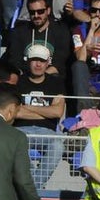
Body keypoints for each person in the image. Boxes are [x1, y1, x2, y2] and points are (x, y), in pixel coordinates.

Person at [14, 44, 66, 189]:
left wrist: (27, 108)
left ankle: (33, 185)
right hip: (20, 130)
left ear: (48, 62)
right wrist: (45, 111)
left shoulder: (56, 83)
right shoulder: (18, 81)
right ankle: (32, 186)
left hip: (47, 132)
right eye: (34, 60)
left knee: (58, 145)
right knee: (15, 143)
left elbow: (57, 112)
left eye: (42, 61)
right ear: (28, 61)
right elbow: (15, 112)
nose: (38, 64)